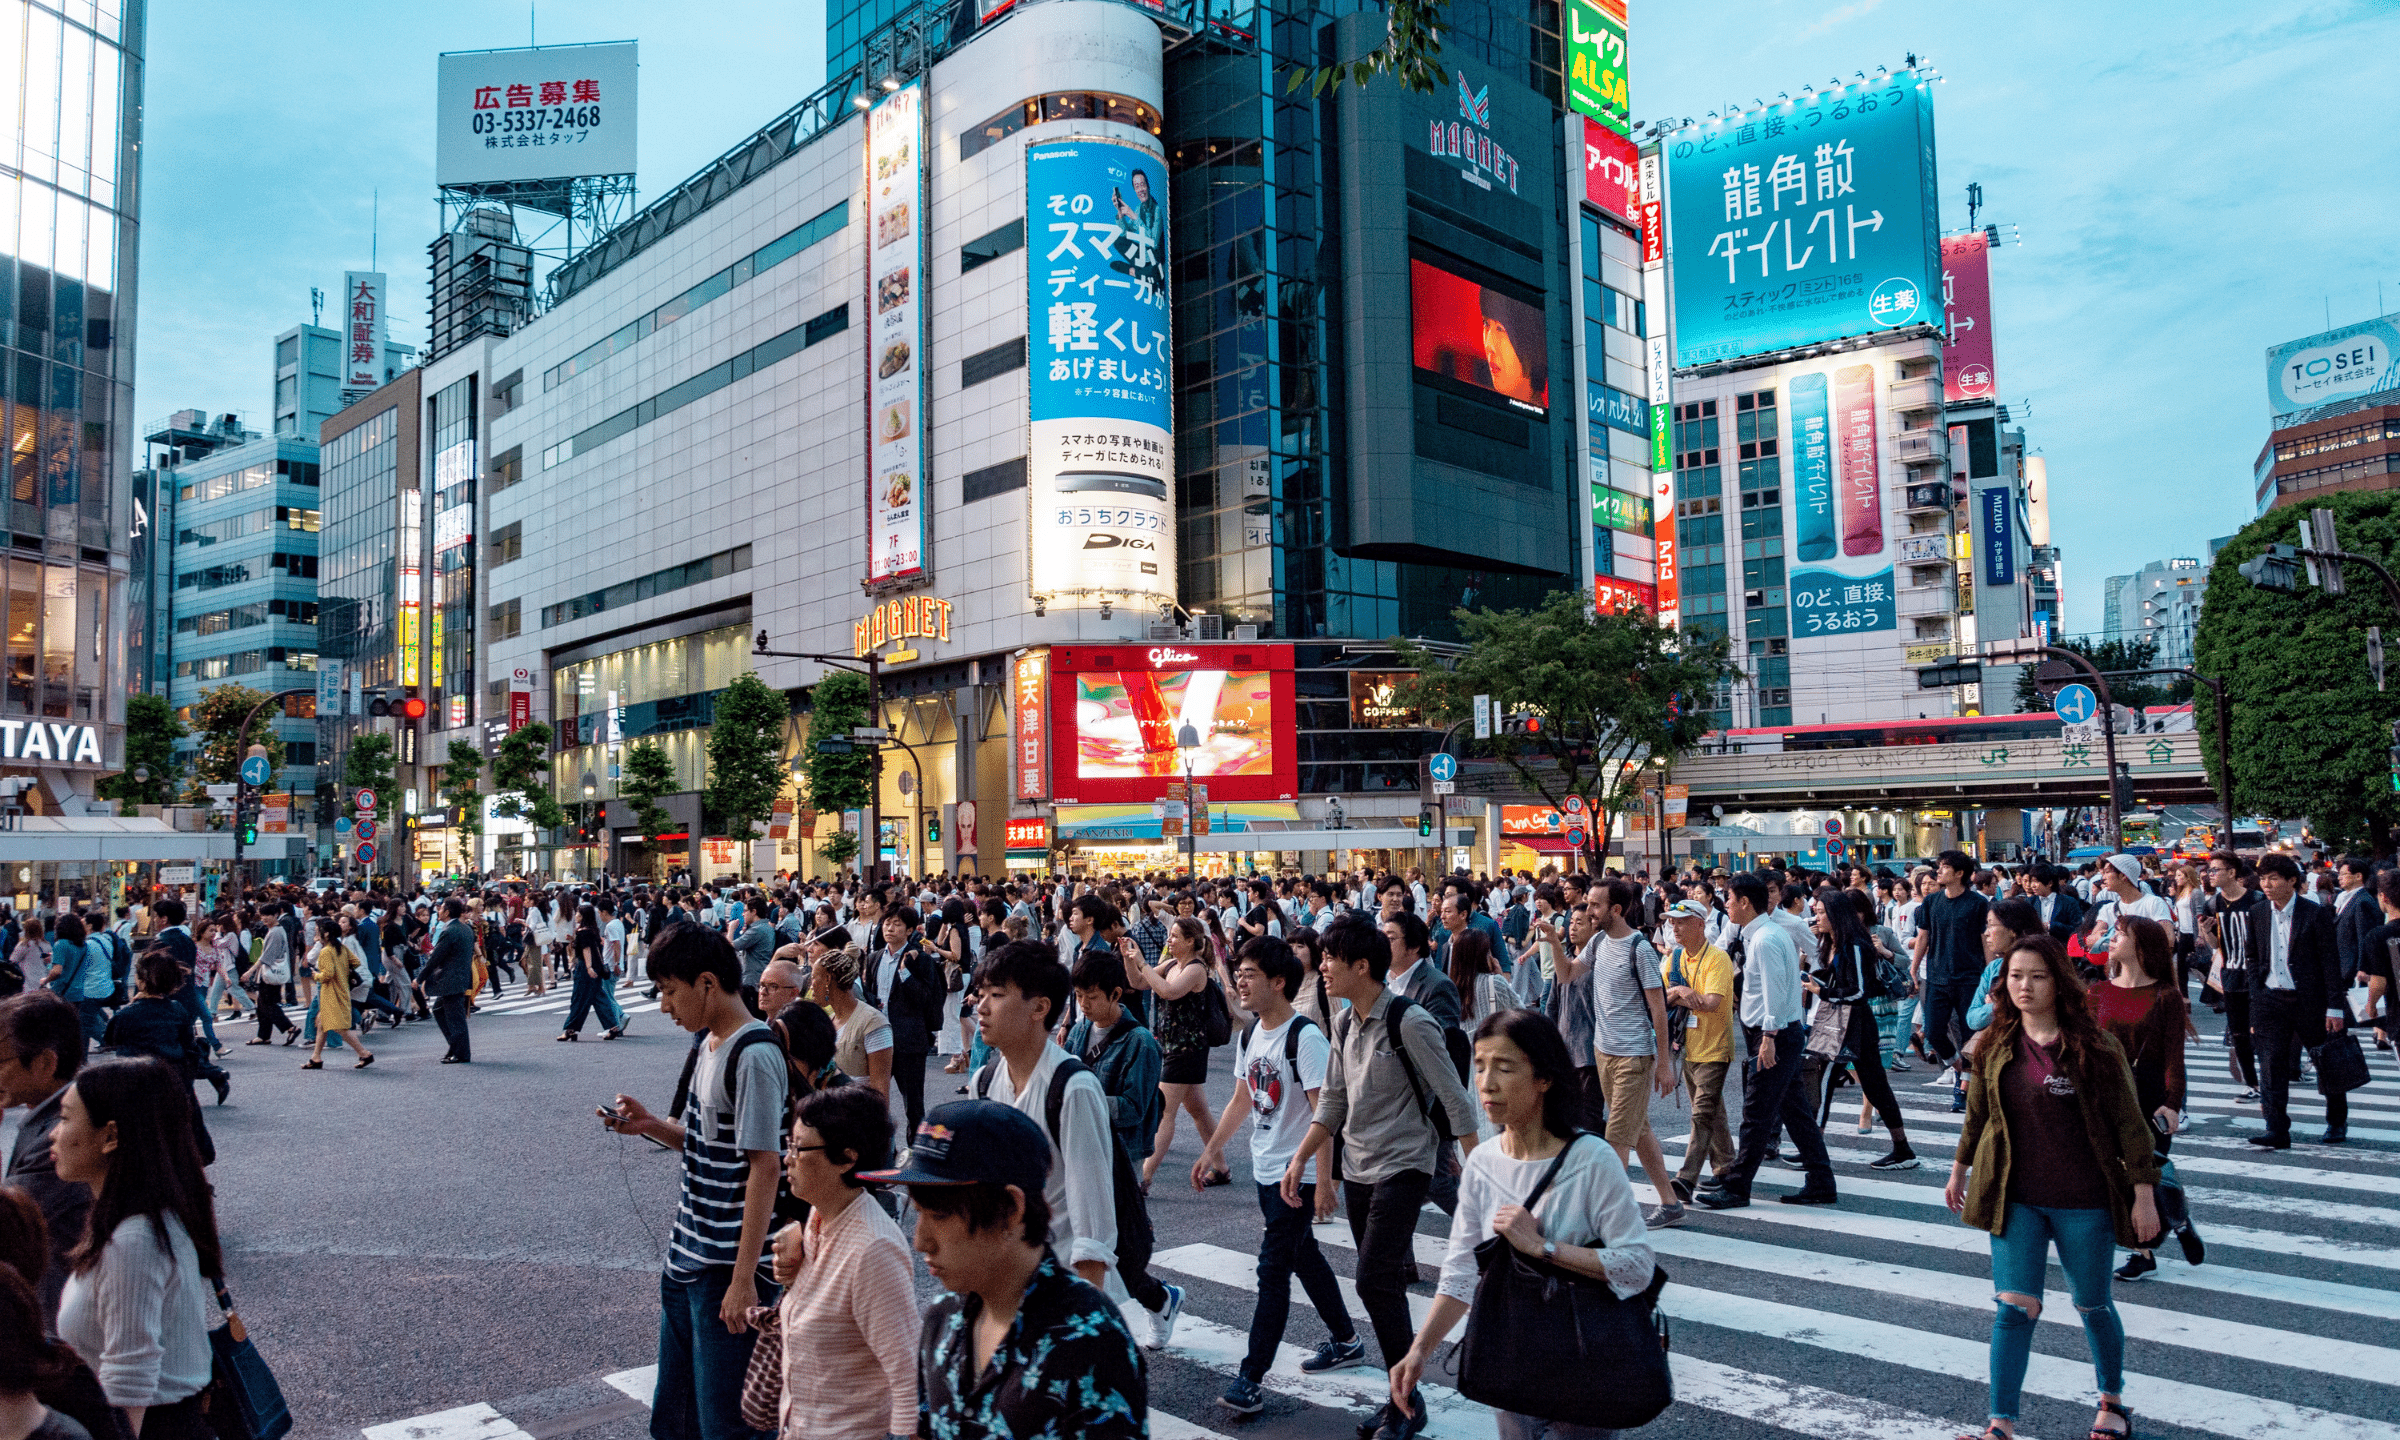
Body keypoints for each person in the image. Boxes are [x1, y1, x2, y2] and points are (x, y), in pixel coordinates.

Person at [1389, 1009, 1656, 1440]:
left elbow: (1637, 1266)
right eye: (1479, 1066)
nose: (1487, 1082)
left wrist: (1542, 1248)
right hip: (1511, 1353)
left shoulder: (1592, 1159)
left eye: (1505, 1067)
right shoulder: (1482, 1162)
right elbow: (1459, 1273)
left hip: (1583, 1357)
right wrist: (1419, 1351)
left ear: (1544, 1078)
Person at [1943, 936, 2159, 1440]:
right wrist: (1959, 1169)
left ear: (2058, 982)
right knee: (2014, 1307)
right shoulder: (1996, 1043)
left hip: (2084, 1200)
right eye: (2016, 976)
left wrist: (2144, 1195)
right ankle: (2000, 1425)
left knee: (2092, 1303)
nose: (2024, 986)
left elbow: (2132, 1126)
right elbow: (1978, 1115)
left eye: (2037, 976)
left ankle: (2112, 1400)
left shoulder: (2095, 1047)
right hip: (2015, 1199)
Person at [1280, 912, 1478, 1440]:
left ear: (1361, 966)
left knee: (1373, 1279)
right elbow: (1335, 1102)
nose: (1320, 967)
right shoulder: (1342, 1023)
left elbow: (1457, 1103)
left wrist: (1482, 1173)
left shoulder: (1409, 1021)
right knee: (1380, 1285)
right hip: (1359, 1165)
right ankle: (1401, 1399)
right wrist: (1302, 1158)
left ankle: (1407, 1403)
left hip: (1406, 1164)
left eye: (1328, 959)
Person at [860, 1100, 1146, 1440]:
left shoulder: (1089, 1342)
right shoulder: (942, 1318)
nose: (920, 1241)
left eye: (939, 1216)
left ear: (1010, 1209)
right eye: (917, 1212)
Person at [603, 923, 787, 1440]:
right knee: (677, 1414)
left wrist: (744, 1279)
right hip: (687, 1258)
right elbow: (711, 1143)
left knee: (725, 1422)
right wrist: (651, 1126)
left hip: (725, 1267)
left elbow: (764, 1165)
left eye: (669, 991)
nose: (665, 1006)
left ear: (707, 982)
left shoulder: (754, 1054)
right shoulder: (710, 1044)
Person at [1193, 936, 1363, 1415]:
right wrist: (1211, 1151)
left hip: (1299, 1173)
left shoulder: (1304, 1037)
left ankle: (1250, 1377)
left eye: (1250, 974)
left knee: (1273, 1271)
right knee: (1303, 1256)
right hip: (1267, 1169)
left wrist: (1324, 1182)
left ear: (1279, 982)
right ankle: (1347, 1341)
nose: (1240, 981)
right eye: (1239, 972)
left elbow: (1324, 1114)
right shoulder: (1251, 1035)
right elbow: (1242, 1098)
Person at [50, 1057, 224, 1440]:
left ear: (110, 1136)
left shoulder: (133, 1241)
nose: (53, 1134)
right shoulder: (143, 1219)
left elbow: (128, 1380)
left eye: (64, 1119)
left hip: (151, 1428)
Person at [765, 1086, 918, 1440]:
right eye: (789, 1145)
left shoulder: (873, 1250)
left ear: (847, 1159)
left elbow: (906, 1369)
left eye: (799, 1148)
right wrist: (795, 1236)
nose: (786, 1158)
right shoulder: (821, 1216)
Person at [1696, 874, 1836, 1210]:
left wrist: (1769, 1037)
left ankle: (1737, 1185)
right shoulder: (1759, 934)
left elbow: (1775, 991)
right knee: (1795, 1112)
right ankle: (1821, 1180)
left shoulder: (1765, 939)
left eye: (1727, 898)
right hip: (1777, 1032)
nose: (1724, 904)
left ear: (1744, 902)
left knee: (1756, 1112)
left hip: (1774, 1034)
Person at [1558, 880, 1680, 1227]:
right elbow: (1567, 973)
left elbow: (1658, 1010)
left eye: (1595, 905)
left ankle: (1605, 1220)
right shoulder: (1597, 942)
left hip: (1633, 1056)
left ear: (1616, 910)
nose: (1587, 911)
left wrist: (1663, 1064)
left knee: (1615, 1140)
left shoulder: (1638, 949)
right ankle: (1670, 1204)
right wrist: (1553, 943)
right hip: (1604, 1051)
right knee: (1638, 1130)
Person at [2093, 916, 2188, 1282]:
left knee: (2141, 1170)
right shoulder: (2097, 992)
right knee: (2114, 1172)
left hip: (2149, 1097)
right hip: (2106, 1094)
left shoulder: (2166, 996)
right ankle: (2177, 1221)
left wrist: (2173, 1102)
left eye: (2120, 934)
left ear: (2142, 946)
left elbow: (2173, 1056)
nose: (2112, 939)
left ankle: (2143, 1251)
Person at [1807, 885, 1916, 1170]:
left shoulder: (1854, 944)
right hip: (1842, 1021)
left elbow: (1858, 991)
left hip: (1855, 1023)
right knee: (1872, 1084)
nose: (1816, 918)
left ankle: (1814, 1152)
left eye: (1820, 913)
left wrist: (1823, 993)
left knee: (1830, 1081)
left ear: (1836, 915)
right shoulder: (1833, 942)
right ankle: (1902, 1148)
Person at [2243, 854, 2347, 1148]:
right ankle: (2276, 1129)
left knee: (2326, 1061)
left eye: (2273, 878)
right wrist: (2257, 994)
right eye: (2263, 878)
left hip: (2309, 1000)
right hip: (2270, 998)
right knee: (2271, 1064)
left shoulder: (2314, 913)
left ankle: (2336, 1121)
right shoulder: (2258, 912)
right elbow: (2252, 956)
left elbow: (2330, 963)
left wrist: (2334, 1006)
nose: (2266, 884)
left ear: (2292, 881)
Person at [0, 994, 87, 1322]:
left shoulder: (64, 1135)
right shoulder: (55, 1115)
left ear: (45, 1064)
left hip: (62, 1326)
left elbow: (9, 1225)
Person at [1125, 916, 1224, 1190]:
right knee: (1199, 1111)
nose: (1169, 940)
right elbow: (1137, 982)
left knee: (1164, 1112)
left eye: (1174, 936)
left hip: (1186, 1049)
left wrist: (1143, 962)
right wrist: (1128, 957)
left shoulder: (1196, 969)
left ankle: (1143, 1178)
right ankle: (1221, 1166)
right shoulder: (1171, 964)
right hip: (1171, 1047)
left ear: (1190, 941)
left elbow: (1168, 991)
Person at [1062, 949, 1164, 1180]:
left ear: (1116, 994)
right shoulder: (1079, 1031)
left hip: (1122, 1151)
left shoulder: (1141, 1042)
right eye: (1078, 995)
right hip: (1081, 1145)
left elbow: (1134, 1109)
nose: (1084, 1004)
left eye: (1092, 996)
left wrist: (1082, 1099)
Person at [1658, 900, 1735, 1204]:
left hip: (1715, 1047)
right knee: (1712, 1111)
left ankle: (1686, 1179)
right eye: (1672, 922)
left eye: (1681, 922)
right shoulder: (1674, 958)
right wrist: (1680, 992)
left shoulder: (1718, 958)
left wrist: (1680, 996)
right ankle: (1727, 1167)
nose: (1674, 928)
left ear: (1700, 924)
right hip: (1688, 1047)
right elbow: (1661, 998)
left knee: (1701, 1113)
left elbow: (1712, 1002)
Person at [1911, 852, 1990, 1115]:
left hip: (1970, 978)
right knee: (1933, 1031)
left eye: (1944, 868)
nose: (1938, 872)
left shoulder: (1978, 903)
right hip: (1936, 976)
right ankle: (1960, 1070)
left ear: (1959, 874)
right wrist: (1913, 969)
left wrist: (1991, 976)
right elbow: (1923, 937)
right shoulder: (1932, 901)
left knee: (1969, 1035)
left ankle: (1963, 1090)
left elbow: (1985, 941)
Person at [864, 905, 945, 1132]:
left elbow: (926, 999)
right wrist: (874, 1001)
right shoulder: (874, 958)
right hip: (877, 1039)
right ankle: (882, 1150)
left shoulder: (921, 960)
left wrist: (904, 972)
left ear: (910, 930)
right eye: (887, 923)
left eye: (897, 924)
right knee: (874, 1101)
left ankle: (915, 1150)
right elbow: (869, 992)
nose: (889, 928)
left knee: (913, 1104)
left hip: (908, 1040)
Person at [301, 926, 374, 1072]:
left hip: (331, 993)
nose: (317, 934)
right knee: (322, 1024)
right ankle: (315, 1057)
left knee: (339, 1027)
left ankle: (364, 1053)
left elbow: (327, 975)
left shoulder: (326, 951)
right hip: (342, 990)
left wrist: (316, 975)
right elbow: (356, 962)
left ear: (326, 934)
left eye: (319, 931)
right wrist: (343, 971)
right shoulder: (341, 947)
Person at [423, 899, 478, 1064]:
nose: (438, 911)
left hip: (451, 980)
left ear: (447, 912)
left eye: (441, 909)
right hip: (460, 977)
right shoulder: (465, 928)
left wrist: (420, 978)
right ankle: (455, 1046)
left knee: (456, 1018)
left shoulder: (450, 930)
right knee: (439, 1011)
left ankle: (461, 1052)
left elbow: (436, 957)